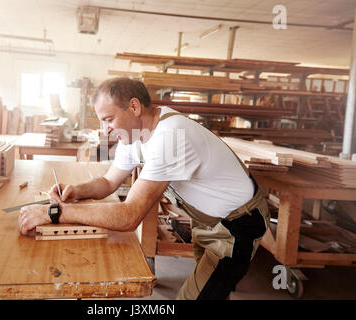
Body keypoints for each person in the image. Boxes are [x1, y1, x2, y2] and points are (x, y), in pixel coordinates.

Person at [18, 77, 270, 300]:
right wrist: (77, 190)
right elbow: (108, 182)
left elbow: (129, 216)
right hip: (207, 221)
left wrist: (55, 213)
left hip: (237, 226)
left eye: (108, 119)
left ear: (134, 107)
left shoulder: (170, 136)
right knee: (211, 290)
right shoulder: (133, 135)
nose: (105, 129)